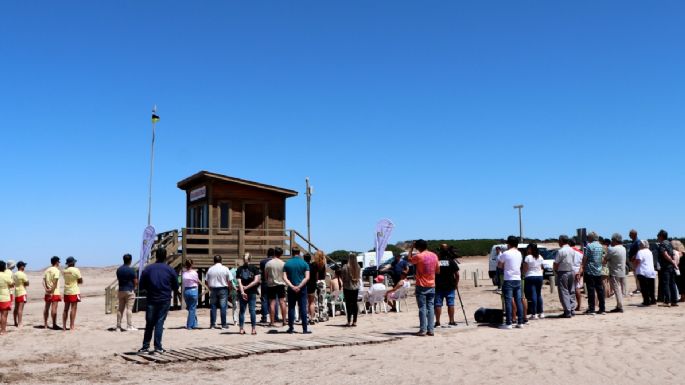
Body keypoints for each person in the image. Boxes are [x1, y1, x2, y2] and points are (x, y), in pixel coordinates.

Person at [138, 248, 178, 354]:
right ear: (165, 256)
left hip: (151, 298)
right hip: (164, 299)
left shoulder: (148, 269)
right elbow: (176, 285)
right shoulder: (170, 269)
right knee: (159, 322)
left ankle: (145, 346)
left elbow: (141, 285)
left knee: (149, 323)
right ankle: (158, 347)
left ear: (156, 256)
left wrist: (149, 289)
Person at [409, 239, 440, 336]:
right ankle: (430, 330)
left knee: (422, 308)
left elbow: (409, 259)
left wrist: (411, 248)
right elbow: (438, 270)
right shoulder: (434, 255)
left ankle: (423, 329)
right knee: (430, 307)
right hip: (432, 284)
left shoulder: (419, 256)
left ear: (418, 247)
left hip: (422, 284)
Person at [497, 236, 523, 329]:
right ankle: (520, 322)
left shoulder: (506, 253)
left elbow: (499, 265)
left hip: (508, 279)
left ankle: (508, 323)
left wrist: (505, 266)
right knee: (518, 301)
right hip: (517, 278)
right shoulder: (519, 253)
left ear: (509, 243)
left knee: (508, 301)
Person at [283, 248, 311, 334]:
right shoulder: (305, 263)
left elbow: (284, 277)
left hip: (291, 288)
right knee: (303, 307)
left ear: (292, 253)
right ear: (299, 253)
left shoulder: (287, 263)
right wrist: (299, 286)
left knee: (291, 308)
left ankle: (291, 328)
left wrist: (292, 286)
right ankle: (305, 329)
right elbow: (307, 277)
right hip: (302, 288)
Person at [580, 232, 606, 315]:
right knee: (600, 290)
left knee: (591, 290)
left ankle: (592, 309)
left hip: (590, 270)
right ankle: (602, 308)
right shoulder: (601, 246)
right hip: (598, 270)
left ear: (591, 238)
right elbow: (603, 258)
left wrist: (582, 266)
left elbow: (585, 257)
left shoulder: (589, 246)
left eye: (588, 237)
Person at [206, 255, 234, 329]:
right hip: (223, 289)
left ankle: (212, 324)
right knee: (223, 307)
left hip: (213, 289)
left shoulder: (210, 269)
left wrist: (209, 288)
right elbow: (230, 280)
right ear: (221, 260)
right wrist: (230, 289)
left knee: (213, 307)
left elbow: (206, 281)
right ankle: (223, 324)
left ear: (214, 261)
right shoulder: (225, 268)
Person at [435, 244, 460, 327]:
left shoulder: (437, 262)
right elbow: (457, 275)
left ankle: (437, 322)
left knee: (438, 304)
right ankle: (451, 321)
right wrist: (456, 284)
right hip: (450, 286)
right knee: (450, 304)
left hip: (438, 286)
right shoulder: (451, 261)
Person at [237, 253, 260, 335]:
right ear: (251, 258)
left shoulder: (239, 269)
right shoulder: (254, 268)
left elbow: (239, 282)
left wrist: (242, 291)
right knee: (252, 310)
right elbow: (256, 280)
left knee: (242, 311)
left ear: (243, 259)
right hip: (252, 292)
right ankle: (253, 329)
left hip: (242, 292)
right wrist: (247, 287)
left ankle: (241, 329)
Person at [264, 247, 288, 327]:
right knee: (282, 302)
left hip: (271, 284)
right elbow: (285, 275)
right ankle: (284, 320)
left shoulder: (268, 263)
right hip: (281, 284)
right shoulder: (283, 263)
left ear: (274, 253)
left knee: (272, 303)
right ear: (281, 254)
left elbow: (266, 276)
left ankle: (272, 321)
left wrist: (268, 281)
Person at [656, 230, 679, 307]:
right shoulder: (669, 243)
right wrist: (674, 263)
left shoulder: (662, 244)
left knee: (666, 283)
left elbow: (665, 254)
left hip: (665, 267)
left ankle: (667, 301)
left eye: (658, 235)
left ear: (661, 236)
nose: (657, 237)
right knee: (672, 283)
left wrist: (672, 262)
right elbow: (673, 254)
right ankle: (674, 301)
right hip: (671, 267)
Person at [605, 234, 627, 313]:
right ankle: (619, 305)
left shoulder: (612, 249)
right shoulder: (623, 248)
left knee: (617, 289)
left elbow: (605, 259)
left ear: (615, 240)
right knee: (620, 289)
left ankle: (619, 306)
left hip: (614, 271)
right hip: (622, 271)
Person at [116, 254, 138, 331]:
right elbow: (135, 281)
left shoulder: (119, 270)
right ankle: (129, 325)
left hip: (121, 290)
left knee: (120, 309)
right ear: (130, 260)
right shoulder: (131, 270)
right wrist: (134, 288)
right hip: (129, 290)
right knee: (129, 309)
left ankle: (118, 326)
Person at [522, 243, 544, 319]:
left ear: (530, 249)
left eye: (528, 248)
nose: (527, 250)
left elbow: (525, 268)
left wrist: (523, 275)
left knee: (533, 295)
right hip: (539, 276)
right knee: (539, 294)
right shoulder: (540, 256)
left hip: (530, 276)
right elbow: (542, 267)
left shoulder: (528, 257)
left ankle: (534, 314)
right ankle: (541, 312)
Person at [62, 257, 82, 332]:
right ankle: (71, 325)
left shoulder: (64, 270)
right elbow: (80, 280)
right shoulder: (76, 270)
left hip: (66, 291)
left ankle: (64, 326)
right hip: (74, 291)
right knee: (73, 308)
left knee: (65, 309)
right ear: (73, 263)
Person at [633, 240, 657, 306]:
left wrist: (634, 267)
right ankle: (653, 300)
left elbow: (638, 261)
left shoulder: (640, 252)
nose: (639, 245)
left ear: (642, 245)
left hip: (642, 271)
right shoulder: (649, 251)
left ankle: (646, 301)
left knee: (644, 287)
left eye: (640, 244)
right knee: (651, 287)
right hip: (651, 271)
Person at [340, 253, 361, 327]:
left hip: (347, 287)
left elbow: (343, 278)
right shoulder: (358, 266)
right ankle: (355, 321)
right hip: (355, 287)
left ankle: (349, 321)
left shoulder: (345, 267)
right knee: (354, 303)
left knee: (348, 304)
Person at [306, 251, 326, 323]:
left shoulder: (314, 264)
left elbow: (315, 274)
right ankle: (322, 316)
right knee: (322, 300)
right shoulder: (324, 263)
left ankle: (315, 316)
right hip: (322, 282)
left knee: (315, 300)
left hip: (316, 282)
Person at [43, 256, 62, 330]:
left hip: (47, 291)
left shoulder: (47, 270)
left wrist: (46, 289)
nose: (59, 263)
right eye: (59, 262)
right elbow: (55, 282)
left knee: (46, 308)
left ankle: (45, 324)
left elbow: (43, 281)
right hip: (54, 292)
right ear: (56, 262)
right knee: (54, 308)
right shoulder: (56, 270)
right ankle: (54, 324)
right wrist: (52, 290)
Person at [181, 259, 199, 330]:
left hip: (186, 291)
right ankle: (189, 325)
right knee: (192, 308)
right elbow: (197, 281)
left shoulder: (184, 273)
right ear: (192, 265)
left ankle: (194, 323)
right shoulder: (194, 273)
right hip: (193, 290)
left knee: (190, 308)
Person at [259, 248, 276, 323]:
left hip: (265, 281)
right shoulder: (275, 262)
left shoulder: (262, 262)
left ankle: (264, 317)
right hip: (273, 281)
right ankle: (275, 316)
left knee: (264, 300)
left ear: (267, 254)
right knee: (274, 300)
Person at [569, 238, 584, 311]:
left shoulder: (568, 251)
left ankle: (571, 305)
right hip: (578, 270)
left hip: (570, 270)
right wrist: (579, 272)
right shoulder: (580, 252)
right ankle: (579, 305)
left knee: (569, 289)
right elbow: (582, 263)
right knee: (577, 288)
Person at [13, 261, 28, 328]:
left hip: (16, 292)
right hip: (22, 292)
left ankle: (15, 322)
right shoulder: (22, 274)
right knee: (20, 309)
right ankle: (20, 323)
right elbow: (27, 283)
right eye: (24, 266)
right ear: (21, 266)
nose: (24, 267)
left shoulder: (14, 274)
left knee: (16, 308)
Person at [0, 260, 14, 335]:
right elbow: (12, 284)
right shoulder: (5, 275)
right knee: (4, 315)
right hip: (4, 297)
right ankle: (3, 330)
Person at [627, 229, 641, 295]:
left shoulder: (637, 241)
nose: (629, 235)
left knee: (637, 275)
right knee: (635, 275)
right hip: (633, 261)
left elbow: (639, 250)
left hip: (635, 261)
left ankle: (639, 288)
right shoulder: (633, 241)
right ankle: (638, 287)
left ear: (634, 234)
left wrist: (634, 256)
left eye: (630, 234)